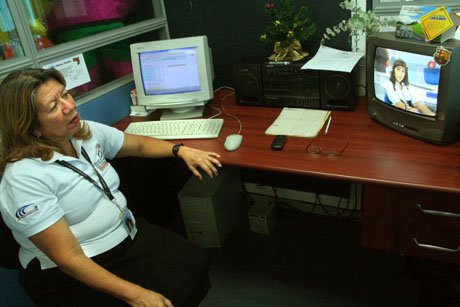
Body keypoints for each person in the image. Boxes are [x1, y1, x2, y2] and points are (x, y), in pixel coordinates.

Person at [0, 68, 223, 306]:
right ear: (30, 127)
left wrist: (179, 150)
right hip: (76, 267)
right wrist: (136, 295)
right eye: (54, 106)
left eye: (65, 94)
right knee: (162, 296)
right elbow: (69, 259)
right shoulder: (24, 178)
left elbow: (136, 144)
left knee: (193, 260)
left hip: (124, 234)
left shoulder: (81, 132)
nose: (69, 106)